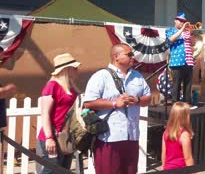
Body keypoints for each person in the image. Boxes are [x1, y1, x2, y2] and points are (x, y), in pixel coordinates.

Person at [83, 43, 151, 174]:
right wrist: (114, 103)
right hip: (108, 137)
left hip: (132, 136)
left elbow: (148, 98)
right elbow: (89, 103)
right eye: (129, 54)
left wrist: (137, 100)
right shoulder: (101, 76)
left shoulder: (137, 76)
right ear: (116, 57)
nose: (133, 57)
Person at [37, 53, 81, 173]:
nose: (77, 70)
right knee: (51, 170)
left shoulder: (71, 89)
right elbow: (45, 114)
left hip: (66, 137)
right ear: (66, 69)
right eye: (74, 67)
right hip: (53, 137)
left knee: (63, 170)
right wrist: (49, 138)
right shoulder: (52, 86)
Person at [165, 12, 194, 104]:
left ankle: (187, 103)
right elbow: (170, 40)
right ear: (175, 21)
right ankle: (175, 103)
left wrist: (191, 32)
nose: (182, 23)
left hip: (188, 61)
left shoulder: (186, 32)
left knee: (188, 84)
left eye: (183, 21)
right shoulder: (170, 30)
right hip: (177, 62)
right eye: (180, 21)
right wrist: (182, 29)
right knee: (177, 83)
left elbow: (193, 43)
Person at [162, 102, 194, 170]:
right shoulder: (184, 135)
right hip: (180, 170)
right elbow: (188, 158)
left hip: (168, 169)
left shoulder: (166, 132)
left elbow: (164, 154)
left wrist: (163, 167)